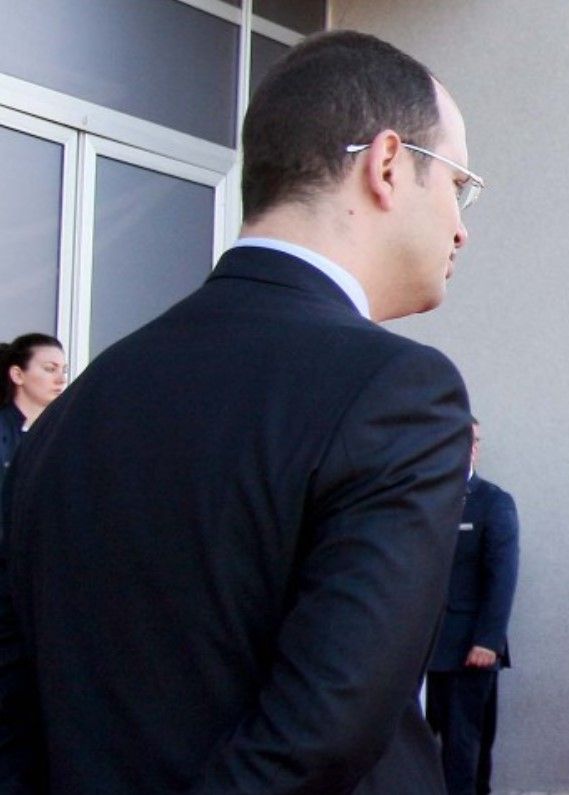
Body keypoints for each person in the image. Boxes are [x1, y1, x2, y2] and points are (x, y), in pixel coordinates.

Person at [0, 30, 480, 794]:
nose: (461, 225)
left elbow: (15, 716)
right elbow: (325, 730)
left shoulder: (73, 411)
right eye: (459, 184)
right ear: (387, 164)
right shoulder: (398, 391)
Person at [426, 418, 519, 795]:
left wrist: (488, 640)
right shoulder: (419, 498)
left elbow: (502, 576)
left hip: (468, 651)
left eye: (476, 441)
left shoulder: (492, 502)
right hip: (417, 652)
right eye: (465, 440)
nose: (473, 448)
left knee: (464, 753)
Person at [0, 334, 66, 505]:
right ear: (17, 375)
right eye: (50, 369)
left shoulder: (65, 431)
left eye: (64, 370)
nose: (61, 380)